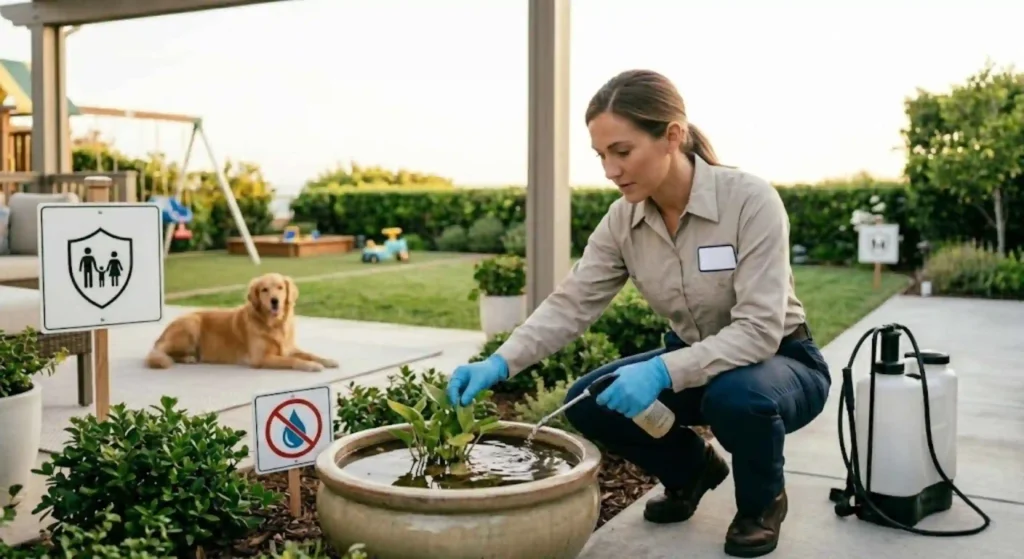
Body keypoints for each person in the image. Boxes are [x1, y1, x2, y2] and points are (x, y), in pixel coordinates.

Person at [445, 69, 831, 557]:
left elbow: (757, 332)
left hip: (781, 363)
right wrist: (500, 363)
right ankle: (692, 471)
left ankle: (761, 503)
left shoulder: (750, 201)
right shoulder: (623, 219)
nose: (609, 169)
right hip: (695, 363)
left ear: (672, 136)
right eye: (601, 155)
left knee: (734, 398)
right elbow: (571, 303)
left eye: (621, 152)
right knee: (589, 400)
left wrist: (660, 370)